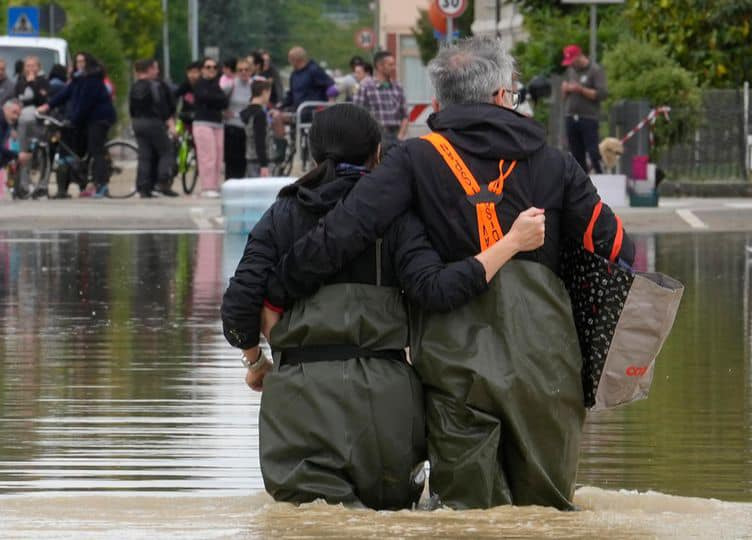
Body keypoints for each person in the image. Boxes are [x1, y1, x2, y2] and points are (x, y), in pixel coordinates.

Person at [265, 37, 634, 511]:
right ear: (503, 96)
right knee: (548, 514)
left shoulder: (414, 159)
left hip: (455, 364)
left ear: (438, 103)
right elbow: (617, 246)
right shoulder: (557, 164)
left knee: (466, 516)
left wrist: (276, 292)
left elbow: (342, 234)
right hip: (546, 363)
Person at [221, 103, 546, 510]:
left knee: (309, 523)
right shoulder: (397, 219)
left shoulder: (281, 215)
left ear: (313, 150)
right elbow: (437, 290)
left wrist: (255, 362)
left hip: (298, 397)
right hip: (385, 405)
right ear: (377, 153)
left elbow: (237, 307)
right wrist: (512, 242)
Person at [39, 52, 118, 198]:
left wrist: (73, 119)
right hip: (87, 119)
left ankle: (102, 185)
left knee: (96, 150)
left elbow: (85, 103)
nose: (80, 64)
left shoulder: (93, 79)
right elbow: (65, 94)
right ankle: (88, 184)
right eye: (78, 62)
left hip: (99, 119)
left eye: (83, 61)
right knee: (81, 151)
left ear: (89, 63)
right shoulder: (78, 78)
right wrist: (47, 106)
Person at [129, 58, 178, 198]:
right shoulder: (154, 86)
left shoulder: (135, 86)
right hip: (154, 122)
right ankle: (162, 181)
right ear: (149, 69)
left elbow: (131, 108)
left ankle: (143, 187)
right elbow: (163, 108)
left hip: (138, 122)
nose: (157, 72)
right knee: (166, 150)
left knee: (144, 155)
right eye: (155, 69)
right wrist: (170, 124)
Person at [561, 44, 607, 174]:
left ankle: (601, 176)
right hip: (571, 116)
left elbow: (602, 94)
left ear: (579, 56)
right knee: (576, 153)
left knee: (593, 152)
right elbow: (564, 97)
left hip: (588, 117)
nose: (571, 65)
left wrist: (581, 89)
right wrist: (565, 90)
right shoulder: (571, 71)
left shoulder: (595, 70)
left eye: (572, 61)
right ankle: (581, 181)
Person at [354, 51, 408, 152]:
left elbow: (405, 115)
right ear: (380, 66)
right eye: (390, 65)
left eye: (394, 64)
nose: (394, 67)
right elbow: (357, 115)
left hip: (396, 137)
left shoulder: (398, 87)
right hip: (375, 139)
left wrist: (400, 136)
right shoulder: (366, 86)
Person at [14, 55, 52, 199]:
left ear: (38, 67)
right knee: (23, 154)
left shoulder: (43, 81)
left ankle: (42, 186)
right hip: (23, 122)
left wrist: (33, 84)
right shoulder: (20, 81)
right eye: (27, 66)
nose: (30, 69)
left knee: (42, 153)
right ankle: (23, 185)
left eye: (33, 65)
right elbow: (18, 96)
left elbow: (42, 99)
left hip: (39, 122)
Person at [191, 57, 228, 198]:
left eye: (214, 67)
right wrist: (215, 99)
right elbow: (203, 97)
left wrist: (214, 98)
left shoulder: (217, 84)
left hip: (217, 123)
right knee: (208, 156)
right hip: (202, 123)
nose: (212, 69)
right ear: (202, 70)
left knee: (218, 156)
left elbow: (224, 101)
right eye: (208, 67)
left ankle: (214, 185)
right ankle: (207, 187)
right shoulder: (200, 84)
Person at [224, 57, 254, 180]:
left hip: (248, 128)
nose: (243, 72)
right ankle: (230, 183)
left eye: (246, 70)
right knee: (231, 159)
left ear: (251, 71)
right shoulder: (230, 85)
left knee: (244, 160)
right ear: (236, 72)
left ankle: (241, 185)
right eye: (240, 70)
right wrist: (223, 112)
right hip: (232, 127)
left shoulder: (254, 86)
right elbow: (219, 100)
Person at [240, 80, 272, 177]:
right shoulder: (260, 114)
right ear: (264, 92)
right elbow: (260, 140)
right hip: (260, 160)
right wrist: (264, 165)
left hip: (249, 157)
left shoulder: (245, 112)